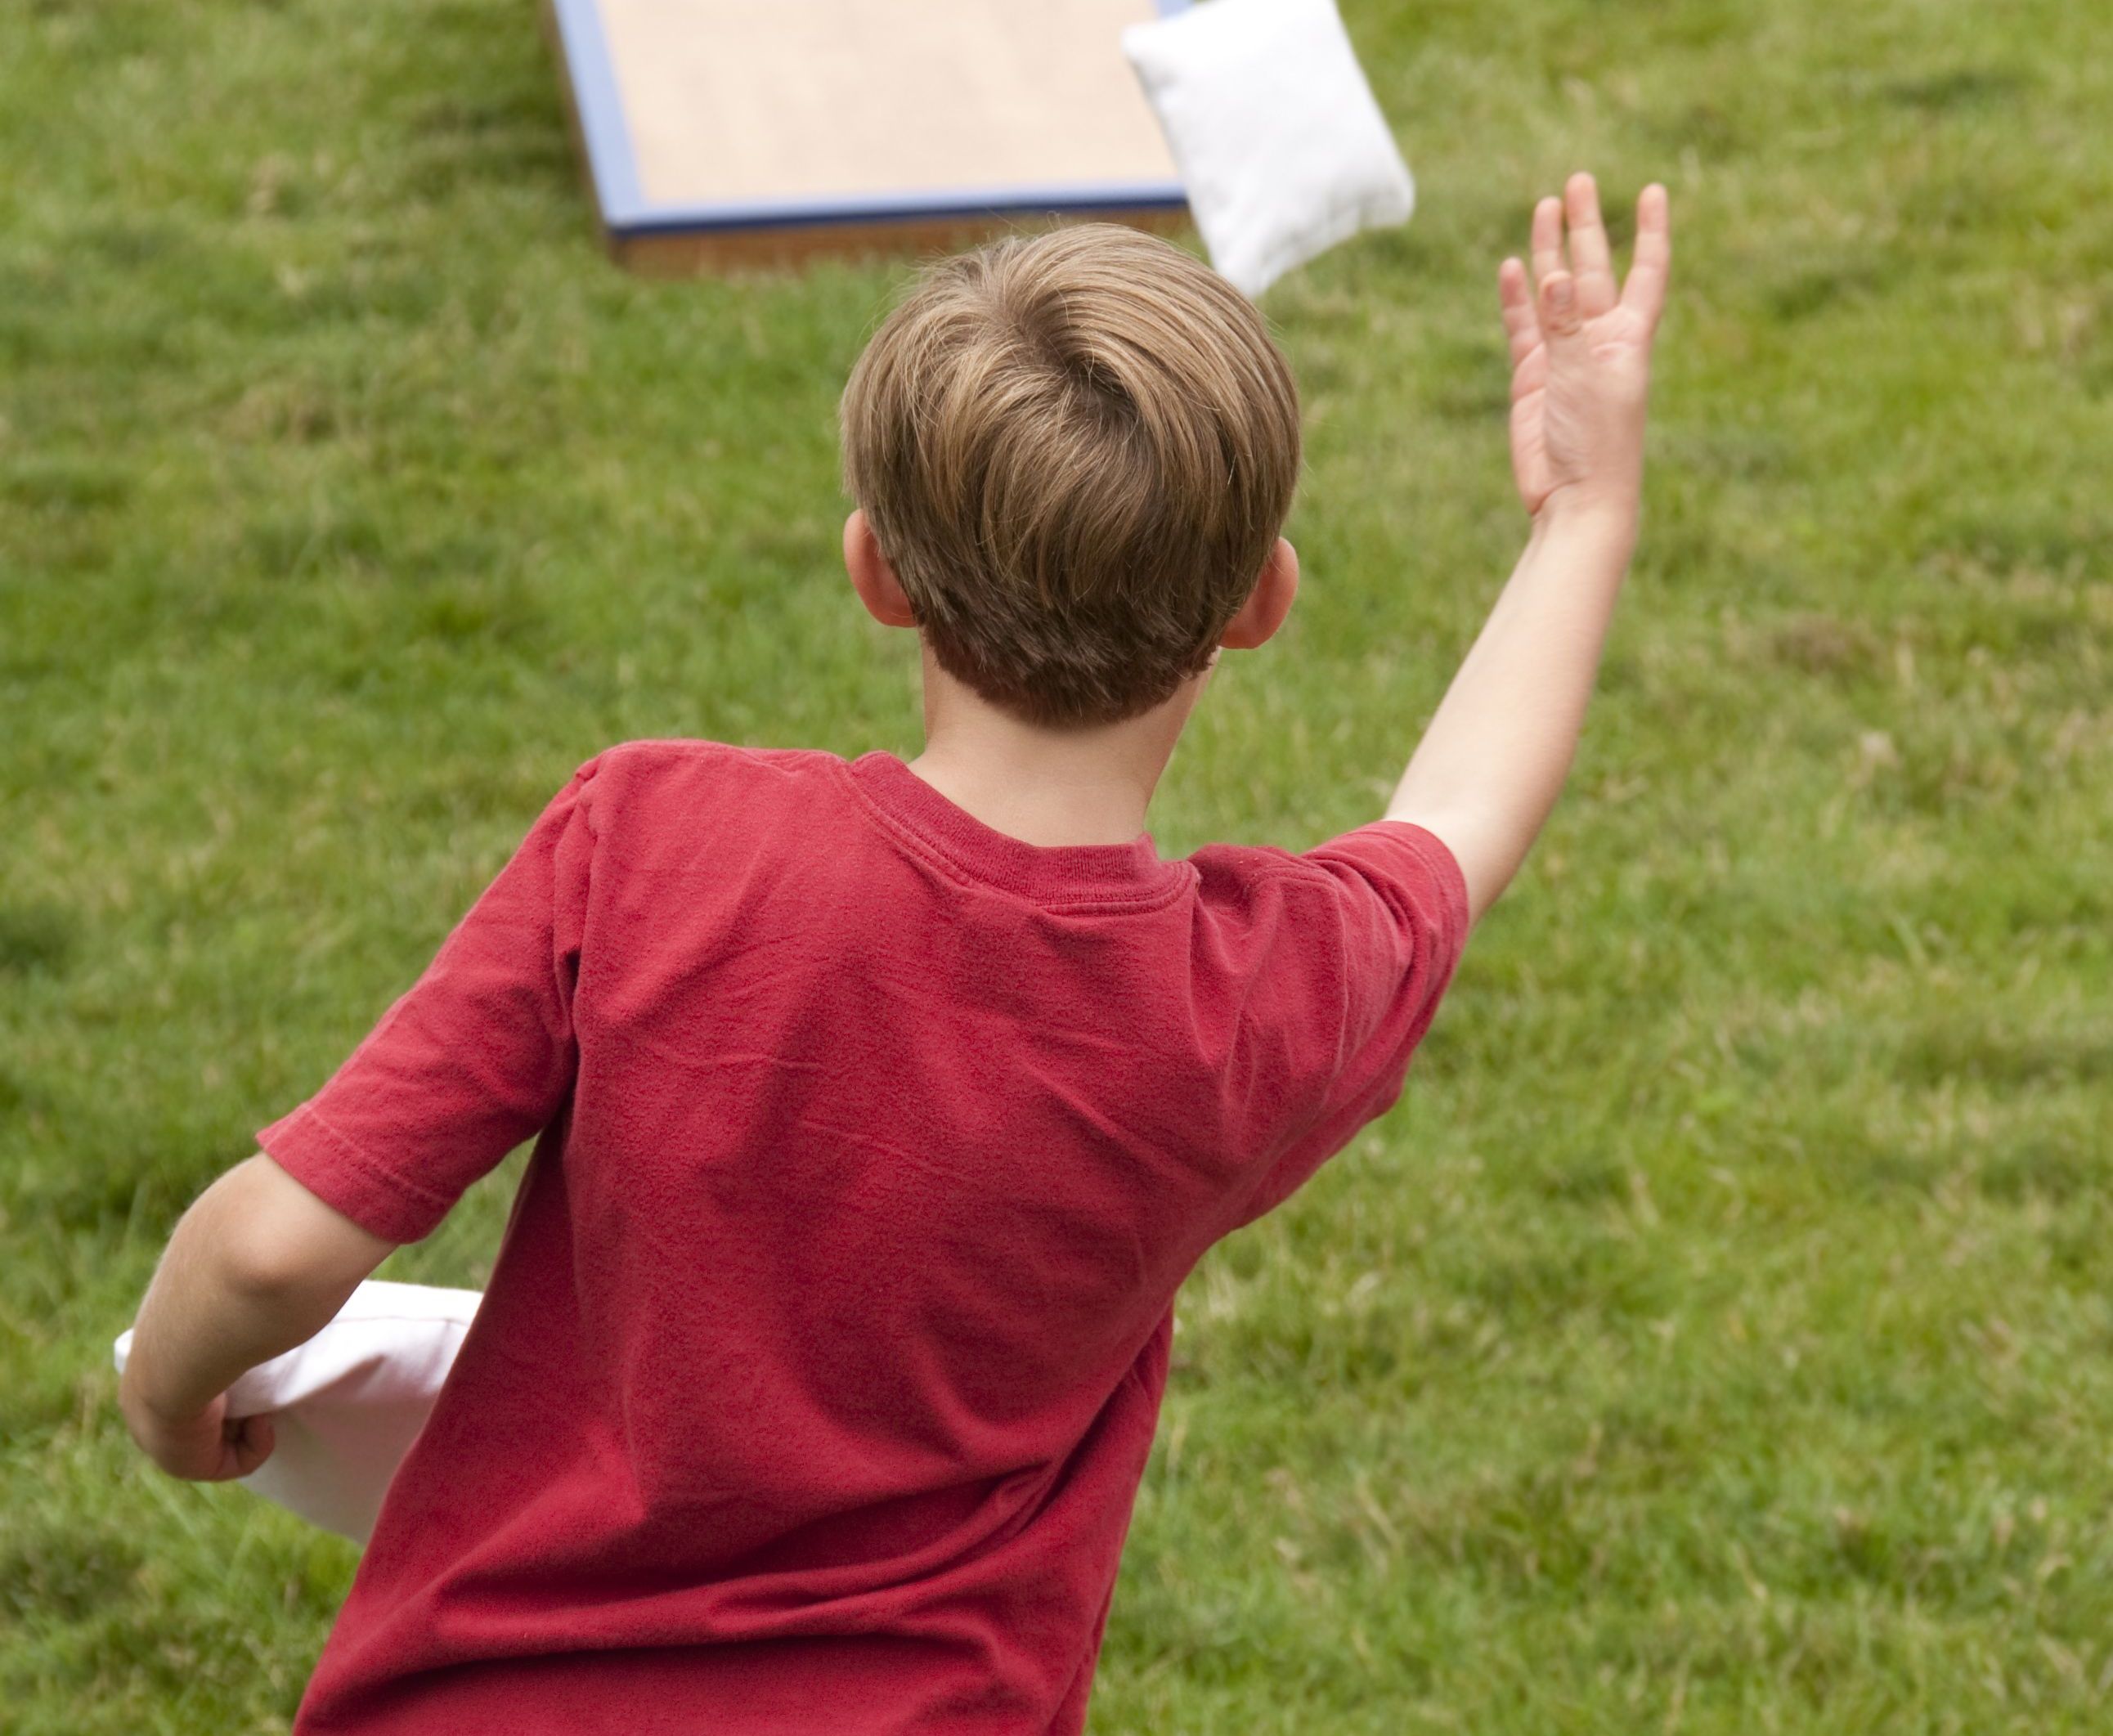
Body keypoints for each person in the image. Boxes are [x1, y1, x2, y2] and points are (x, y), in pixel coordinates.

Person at [119, 176, 1671, 1734]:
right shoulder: (1258, 1004)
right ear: (1262, 602)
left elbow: (273, 1253)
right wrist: (1585, 506)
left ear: (876, 570)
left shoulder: (648, 835)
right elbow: (1462, 812)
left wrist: (170, 1390)